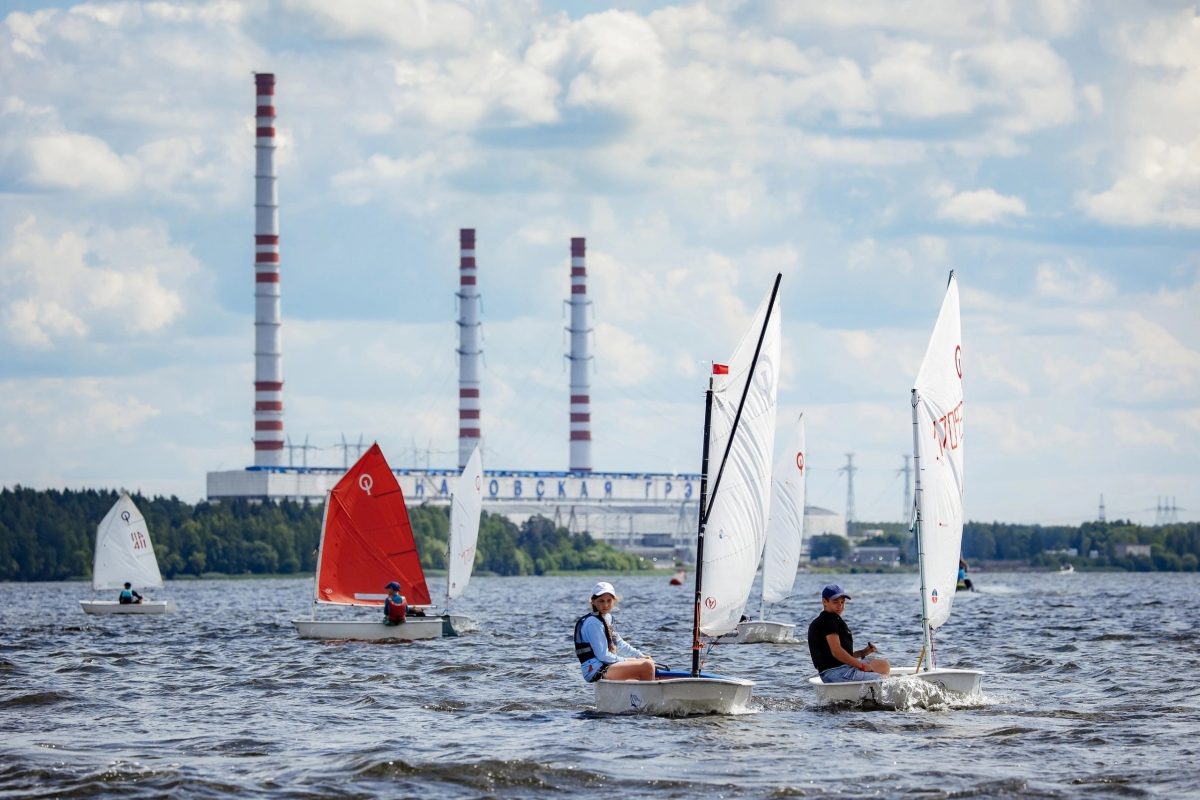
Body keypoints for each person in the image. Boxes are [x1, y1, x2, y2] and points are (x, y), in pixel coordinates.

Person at [574, 581, 656, 682]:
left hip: (606, 664)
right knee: (646, 666)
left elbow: (620, 644)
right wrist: (629, 660)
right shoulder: (593, 623)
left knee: (647, 663)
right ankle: (647, 696)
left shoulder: (607, 618)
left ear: (614, 601)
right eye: (601, 601)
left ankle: (638, 694)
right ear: (593, 601)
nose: (606, 605)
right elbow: (602, 655)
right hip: (594, 670)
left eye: (609, 600)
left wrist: (640, 656)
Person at [807, 584, 890, 683]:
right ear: (825, 602)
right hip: (835, 673)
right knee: (882, 680)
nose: (840, 606)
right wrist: (862, 666)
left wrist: (862, 653)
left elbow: (837, 656)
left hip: (840, 668)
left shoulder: (829, 619)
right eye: (835, 602)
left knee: (883, 665)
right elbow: (837, 653)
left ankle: (867, 695)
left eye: (842, 602)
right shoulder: (829, 621)